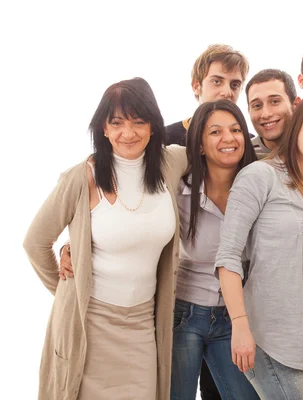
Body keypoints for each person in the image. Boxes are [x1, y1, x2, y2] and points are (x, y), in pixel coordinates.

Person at [23, 77, 188, 400]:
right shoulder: (81, 177)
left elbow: (214, 136)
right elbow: (35, 242)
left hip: (142, 326)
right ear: (104, 129)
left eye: (139, 122)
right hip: (90, 327)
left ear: (154, 126)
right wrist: (70, 290)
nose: (128, 133)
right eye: (118, 123)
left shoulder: (170, 164)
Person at [216, 93, 303, 399]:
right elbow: (228, 257)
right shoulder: (259, 176)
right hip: (266, 339)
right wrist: (240, 326)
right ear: (300, 121)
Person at [169, 100, 259, 399]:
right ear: (200, 145)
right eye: (216, 132)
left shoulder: (257, 191)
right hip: (185, 312)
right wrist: (70, 245)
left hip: (235, 315)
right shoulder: (180, 193)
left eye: (236, 130)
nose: (229, 138)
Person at [166, 44, 249, 146]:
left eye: (235, 85)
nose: (227, 92)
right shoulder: (165, 139)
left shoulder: (248, 143)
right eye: (217, 81)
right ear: (196, 86)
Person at [246, 69, 300, 158]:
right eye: (257, 105)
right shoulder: (241, 158)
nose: (266, 114)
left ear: (296, 104)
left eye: (274, 101)